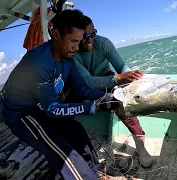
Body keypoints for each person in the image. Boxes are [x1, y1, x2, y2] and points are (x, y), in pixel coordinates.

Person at [0, 9, 113, 180]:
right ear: (56, 35)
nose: (77, 47)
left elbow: (82, 88)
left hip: (42, 106)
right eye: (73, 41)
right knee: (60, 149)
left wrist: (108, 99)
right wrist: (92, 106)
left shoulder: (68, 58)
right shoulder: (39, 62)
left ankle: (95, 171)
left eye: (79, 41)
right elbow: (53, 109)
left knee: (75, 129)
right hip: (20, 114)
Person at [66, 15, 153, 168]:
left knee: (123, 102)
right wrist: (119, 78)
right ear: (76, 37)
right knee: (66, 108)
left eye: (93, 34)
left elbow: (122, 67)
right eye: (85, 37)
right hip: (83, 86)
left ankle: (140, 145)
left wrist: (132, 77)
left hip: (107, 79)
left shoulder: (103, 43)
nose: (90, 39)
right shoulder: (72, 53)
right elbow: (87, 82)